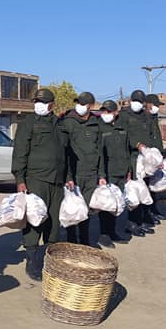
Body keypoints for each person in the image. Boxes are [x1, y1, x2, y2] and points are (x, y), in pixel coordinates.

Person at [12, 87, 70, 280]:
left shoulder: (59, 124)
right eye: (36, 102)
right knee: (35, 220)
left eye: (42, 102)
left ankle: (49, 259)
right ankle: (31, 261)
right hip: (35, 180)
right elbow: (20, 152)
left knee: (53, 222)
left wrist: (68, 177)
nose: (38, 105)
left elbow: (65, 155)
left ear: (51, 105)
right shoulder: (28, 123)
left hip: (57, 181)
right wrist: (20, 179)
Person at [61, 91, 101, 246]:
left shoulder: (95, 123)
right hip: (74, 174)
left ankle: (84, 243)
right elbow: (64, 151)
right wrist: (68, 176)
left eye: (83, 104)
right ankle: (72, 242)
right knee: (73, 210)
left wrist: (101, 174)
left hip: (91, 174)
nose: (79, 106)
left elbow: (99, 149)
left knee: (87, 212)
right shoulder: (68, 122)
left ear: (90, 106)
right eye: (78, 103)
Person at [117, 89, 155, 236]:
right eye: (135, 101)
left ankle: (140, 222)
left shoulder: (145, 116)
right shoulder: (124, 116)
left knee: (143, 191)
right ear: (131, 101)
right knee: (133, 192)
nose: (137, 104)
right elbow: (123, 137)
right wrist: (136, 144)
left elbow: (149, 135)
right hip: (131, 157)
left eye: (140, 101)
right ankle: (131, 224)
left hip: (144, 159)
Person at [97, 99, 129, 245]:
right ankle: (104, 234)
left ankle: (113, 232)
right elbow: (99, 155)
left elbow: (126, 150)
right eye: (104, 111)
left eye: (108, 111)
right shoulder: (100, 128)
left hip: (121, 172)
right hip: (108, 173)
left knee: (117, 204)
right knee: (106, 205)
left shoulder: (122, 128)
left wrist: (129, 170)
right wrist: (101, 175)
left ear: (115, 113)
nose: (106, 114)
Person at [144, 93, 166, 222]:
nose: (157, 107)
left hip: (155, 158)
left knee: (153, 186)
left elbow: (156, 137)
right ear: (148, 104)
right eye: (156, 105)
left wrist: (161, 155)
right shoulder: (144, 118)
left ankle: (153, 210)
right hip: (147, 159)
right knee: (145, 187)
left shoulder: (153, 117)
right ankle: (147, 214)